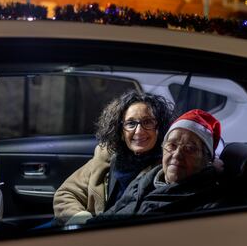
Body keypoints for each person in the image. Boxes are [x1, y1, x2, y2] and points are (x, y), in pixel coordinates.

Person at [53, 90, 174, 224]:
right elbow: (66, 194)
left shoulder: (165, 169)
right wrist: (84, 221)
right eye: (131, 123)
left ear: (160, 128)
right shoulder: (105, 156)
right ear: (121, 131)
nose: (139, 131)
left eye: (148, 122)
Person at [90, 109, 224, 219]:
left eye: (189, 148)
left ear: (206, 160)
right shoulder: (144, 181)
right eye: (171, 145)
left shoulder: (207, 206)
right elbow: (111, 215)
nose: (177, 154)